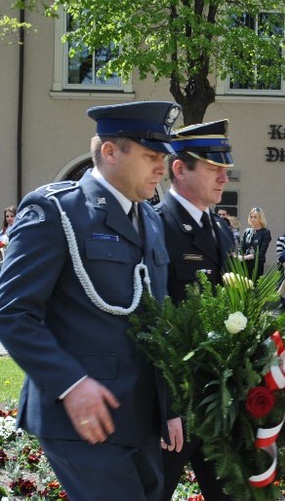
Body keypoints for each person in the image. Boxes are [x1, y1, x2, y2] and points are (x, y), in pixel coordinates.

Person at [0, 101, 183, 499]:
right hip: (82, 418)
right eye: (151, 156)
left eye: (163, 158)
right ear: (110, 152)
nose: (161, 168)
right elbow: (12, 312)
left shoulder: (149, 218)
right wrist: (70, 384)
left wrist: (169, 406)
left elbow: (155, 318)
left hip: (140, 414)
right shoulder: (55, 212)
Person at [156, 119, 235, 501]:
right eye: (213, 168)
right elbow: (153, 324)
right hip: (176, 401)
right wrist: (167, 406)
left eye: (225, 169)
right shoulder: (156, 227)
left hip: (219, 398)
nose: (223, 178)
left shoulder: (221, 230)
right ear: (179, 168)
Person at [240, 207, 271, 278]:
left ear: (260, 218)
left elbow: (262, 252)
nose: (252, 219)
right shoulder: (247, 231)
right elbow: (241, 247)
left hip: (257, 264)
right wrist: (239, 256)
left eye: (255, 217)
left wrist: (249, 256)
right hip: (245, 263)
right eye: (251, 217)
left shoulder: (265, 232)